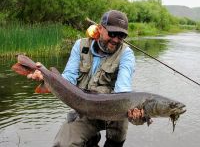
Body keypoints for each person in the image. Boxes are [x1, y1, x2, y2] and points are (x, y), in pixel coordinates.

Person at [28, 10, 149, 147]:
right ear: (100, 28)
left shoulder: (126, 54)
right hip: (84, 109)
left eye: (121, 36)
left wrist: (136, 114)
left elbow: (123, 89)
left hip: (115, 113)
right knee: (62, 144)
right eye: (112, 33)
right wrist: (47, 77)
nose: (116, 39)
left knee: (116, 139)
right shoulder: (80, 46)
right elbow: (69, 79)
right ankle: (91, 139)